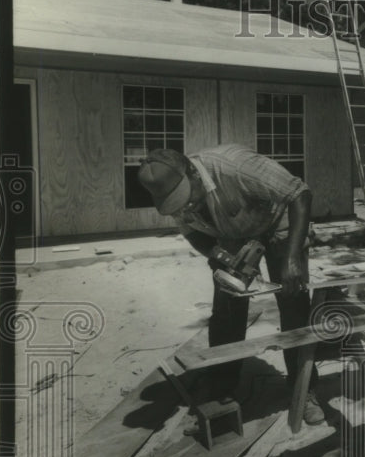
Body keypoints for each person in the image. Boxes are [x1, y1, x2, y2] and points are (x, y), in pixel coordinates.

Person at [137, 144, 324, 425]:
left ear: (193, 172)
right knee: (226, 308)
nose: (186, 206)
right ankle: (222, 388)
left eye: (187, 197)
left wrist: (293, 256)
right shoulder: (171, 190)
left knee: (293, 302)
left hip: (279, 221)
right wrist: (218, 257)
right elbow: (192, 233)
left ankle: (303, 389)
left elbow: (299, 193)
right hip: (230, 231)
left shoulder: (234, 166)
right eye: (178, 203)